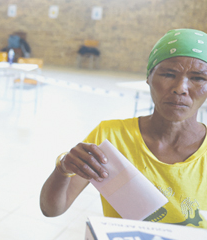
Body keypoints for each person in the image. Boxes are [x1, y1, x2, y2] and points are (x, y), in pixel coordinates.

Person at [40, 29, 207, 228]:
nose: (180, 88)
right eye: (169, 74)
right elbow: (52, 209)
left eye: (198, 78)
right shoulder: (111, 137)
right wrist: (63, 168)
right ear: (149, 77)